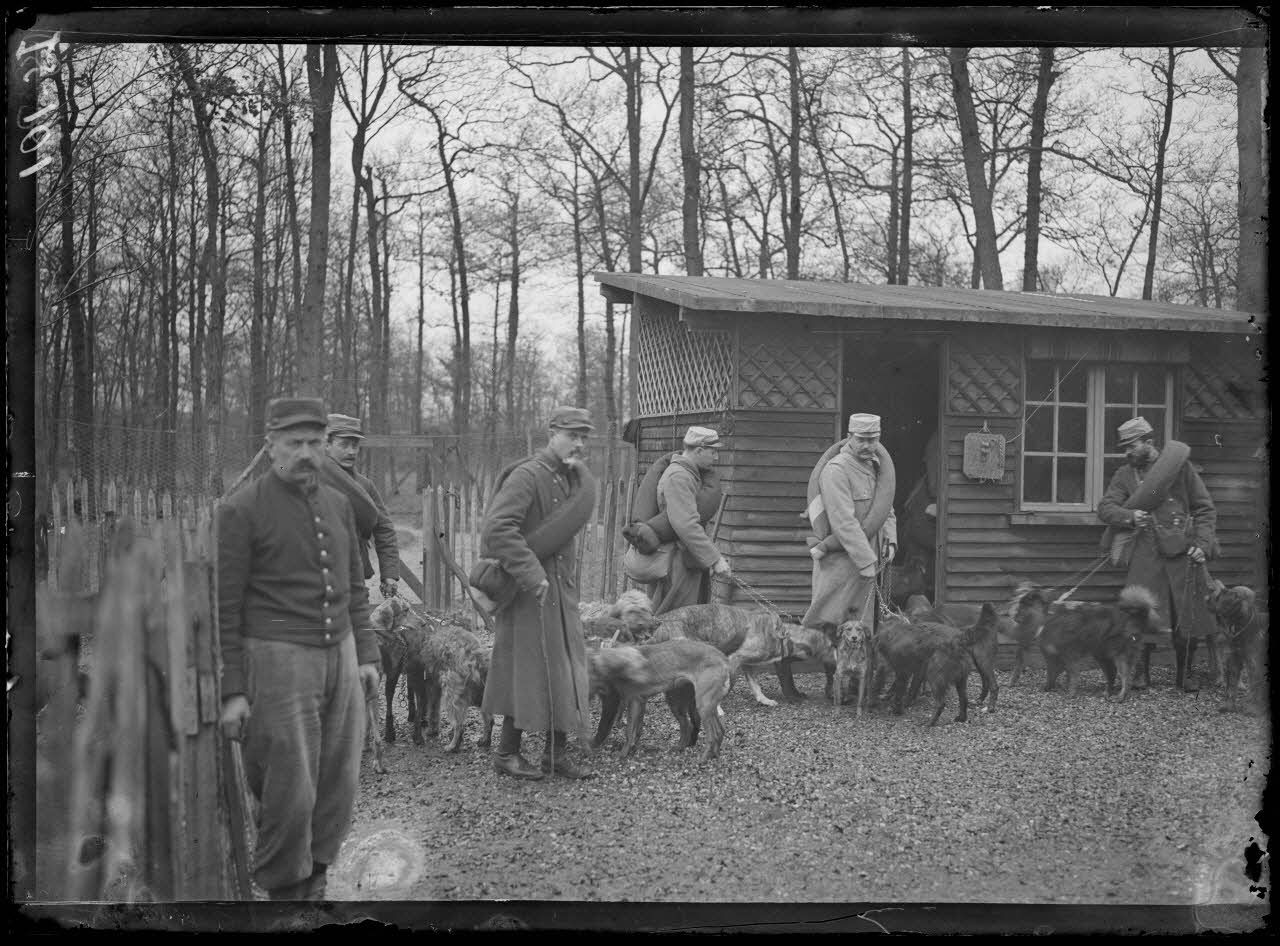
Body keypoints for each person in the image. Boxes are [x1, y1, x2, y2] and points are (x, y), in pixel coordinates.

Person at [217, 396, 381, 901]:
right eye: (295, 443)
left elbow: (355, 584)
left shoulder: (337, 504)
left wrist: (368, 654)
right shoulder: (240, 509)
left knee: (337, 781)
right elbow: (226, 606)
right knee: (289, 785)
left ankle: (317, 880)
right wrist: (233, 689)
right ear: (271, 447)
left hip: (342, 653)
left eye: (314, 442)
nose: (306, 453)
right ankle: (284, 897)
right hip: (278, 658)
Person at [479, 407, 597, 780]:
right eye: (570, 434)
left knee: (563, 667)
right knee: (524, 670)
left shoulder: (567, 480)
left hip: (561, 594)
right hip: (528, 593)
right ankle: (506, 753)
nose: (578, 443)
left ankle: (554, 754)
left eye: (583, 437)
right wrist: (531, 574)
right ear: (551, 432)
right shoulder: (528, 476)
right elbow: (498, 530)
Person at [1097, 416, 1218, 691]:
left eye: (1131, 446)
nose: (1127, 453)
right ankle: (1140, 672)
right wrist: (1130, 515)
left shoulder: (1181, 469)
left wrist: (1202, 543)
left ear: (1149, 443)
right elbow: (1105, 509)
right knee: (1138, 612)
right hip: (1145, 552)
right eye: (1124, 447)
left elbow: (1204, 508)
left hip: (1183, 551)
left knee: (1186, 613)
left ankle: (1185, 674)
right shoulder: (1124, 475)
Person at [803, 413, 897, 629]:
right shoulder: (837, 470)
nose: (867, 445)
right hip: (841, 562)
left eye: (872, 439)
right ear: (849, 437)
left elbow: (886, 507)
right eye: (860, 439)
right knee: (826, 624)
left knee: (860, 628)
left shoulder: (874, 467)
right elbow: (843, 522)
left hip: (868, 557)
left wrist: (890, 540)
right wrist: (865, 561)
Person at [650, 426, 732, 614]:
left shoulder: (688, 474)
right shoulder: (679, 476)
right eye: (713, 452)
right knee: (675, 620)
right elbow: (686, 524)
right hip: (676, 562)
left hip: (685, 557)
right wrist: (715, 559)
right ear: (699, 450)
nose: (716, 457)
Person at [324, 413, 400, 599]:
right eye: (344, 444)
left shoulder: (364, 486)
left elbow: (384, 529)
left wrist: (389, 574)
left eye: (355, 445)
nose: (351, 451)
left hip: (352, 580)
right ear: (326, 444)